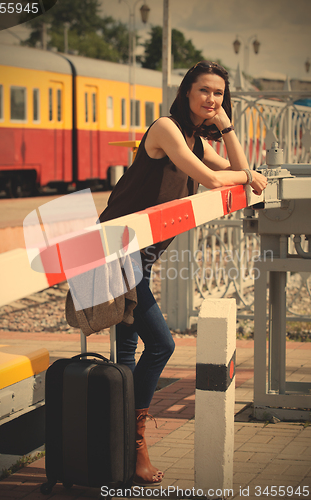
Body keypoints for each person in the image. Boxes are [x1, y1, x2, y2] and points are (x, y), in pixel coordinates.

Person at [99, 61, 267, 486]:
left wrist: (228, 131)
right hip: (115, 250)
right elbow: (215, 178)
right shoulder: (167, 129)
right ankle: (135, 444)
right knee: (161, 345)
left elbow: (234, 171)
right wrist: (245, 174)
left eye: (219, 93)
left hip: (141, 255)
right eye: (205, 91)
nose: (212, 99)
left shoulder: (193, 137)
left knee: (125, 355)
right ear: (187, 91)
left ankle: (115, 454)